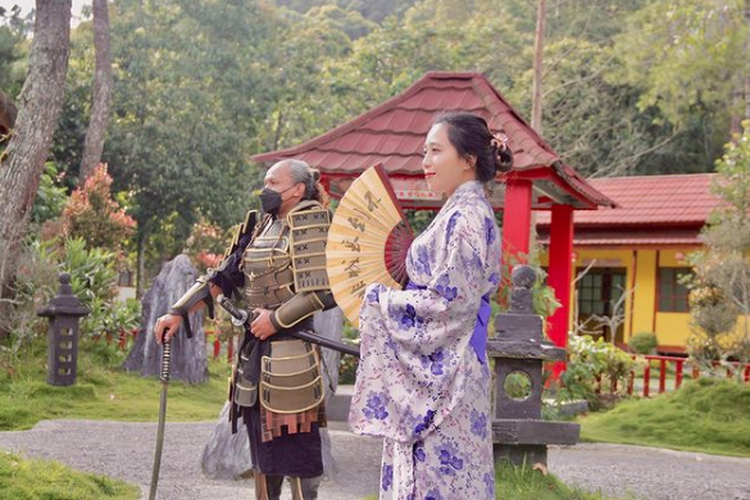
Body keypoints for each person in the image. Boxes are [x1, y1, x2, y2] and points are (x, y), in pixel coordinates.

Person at [349, 112, 512, 499]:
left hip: (449, 374)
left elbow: (448, 304)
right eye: (425, 151)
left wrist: (380, 301)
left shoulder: (467, 216)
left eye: (436, 151)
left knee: (440, 478)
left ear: (468, 159)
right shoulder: (458, 212)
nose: (425, 162)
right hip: (449, 368)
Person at [154, 159, 335, 500]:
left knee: (297, 455)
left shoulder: (310, 223)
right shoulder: (261, 226)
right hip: (255, 351)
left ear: (297, 189)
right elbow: (223, 276)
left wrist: (276, 319)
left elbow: (321, 292)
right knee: (263, 452)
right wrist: (177, 312)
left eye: (273, 182)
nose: (265, 189)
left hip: (292, 354)